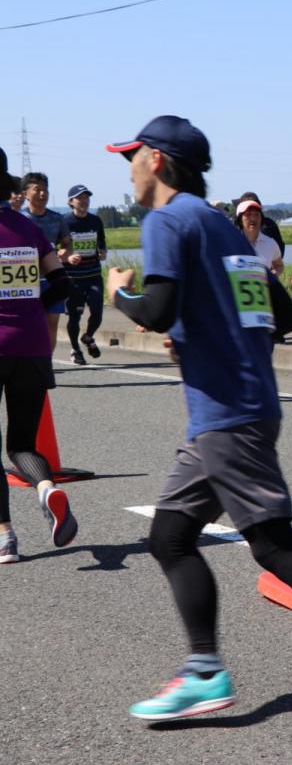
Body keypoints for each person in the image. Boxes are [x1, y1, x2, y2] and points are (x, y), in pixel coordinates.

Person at [104, 116, 292, 728]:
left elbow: (156, 309)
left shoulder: (166, 220)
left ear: (157, 161)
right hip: (237, 407)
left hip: (227, 416)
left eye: (131, 156)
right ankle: (205, 672)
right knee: (169, 537)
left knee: (271, 544)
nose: (127, 168)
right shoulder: (220, 226)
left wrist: (120, 294)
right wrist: (206, 338)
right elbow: (285, 317)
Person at [0, 147, 79, 564]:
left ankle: (5, 537)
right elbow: (62, 285)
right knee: (22, 445)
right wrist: (32, 304)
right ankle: (48, 490)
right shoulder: (30, 231)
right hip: (32, 346)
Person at [20, 172, 70, 345]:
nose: (43, 193)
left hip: (51, 279)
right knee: (29, 324)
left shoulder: (57, 219)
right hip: (25, 281)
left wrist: (65, 252)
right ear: (25, 193)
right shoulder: (19, 219)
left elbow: (67, 244)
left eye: (45, 189)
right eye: (37, 189)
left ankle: (47, 362)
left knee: (52, 323)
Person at [63, 184, 107, 366]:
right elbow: (56, 248)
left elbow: (102, 242)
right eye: (80, 198)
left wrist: (103, 252)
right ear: (71, 202)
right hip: (73, 278)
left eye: (86, 197)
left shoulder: (95, 221)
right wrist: (67, 256)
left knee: (97, 312)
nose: (84, 201)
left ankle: (88, 337)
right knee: (75, 316)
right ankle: (75, 349)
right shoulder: (64, 222)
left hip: (93, 275)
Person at [234, 199, 283, 275]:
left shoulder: (270, 243)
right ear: (240, 220)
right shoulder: (231, 243)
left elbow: (279, 265)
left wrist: (273, 274)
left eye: (257, 214)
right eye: (248, 214)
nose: (253, 219)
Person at [238, 191, 285, 257]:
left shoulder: (267, 229)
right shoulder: (232, 239)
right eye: (248, 214)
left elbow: (278, 257)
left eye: (255, 214)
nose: (253, 218)